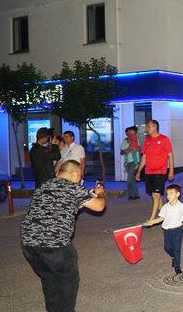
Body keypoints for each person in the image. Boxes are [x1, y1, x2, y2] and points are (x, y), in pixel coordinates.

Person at [21, 160, 106, 311]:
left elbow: (60, 206)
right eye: (80, 176)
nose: (80, 179)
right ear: (74, 173)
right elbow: (99, 206)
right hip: (55, 245)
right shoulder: (73, 187)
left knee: (49, 279)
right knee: (69, 280)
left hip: (29, 243)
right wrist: (100, 194)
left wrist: (84, 200)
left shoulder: (44, 186)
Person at [144, 184, 183, 275]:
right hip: (167, 231)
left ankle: (177, 266)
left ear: (177, 194)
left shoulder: (182, 206)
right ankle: (174, 256)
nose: (168, 196)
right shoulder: (165, 207)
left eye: (171, 193)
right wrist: (152, 221)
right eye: (167, 194)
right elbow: (161, 218)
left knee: (177, 248)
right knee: (167, 248)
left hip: (177, 230)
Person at [135, 120, 175, 220]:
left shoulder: (164, 139)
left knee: (156, 195)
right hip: (149, 172)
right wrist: (139, 171)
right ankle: (167, 217)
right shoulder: (147, 140)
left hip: (160, 172)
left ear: (154, 127)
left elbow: (170, 156)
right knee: (156, 196)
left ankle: (152, 219)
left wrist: (171, 170)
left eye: (148, 127)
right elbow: (144, 156)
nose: (146, 129)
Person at [120, 126, 140, 200]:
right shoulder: (124, 141)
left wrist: (129, 150)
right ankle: (136, 194)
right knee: (132, 178)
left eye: (130, 131)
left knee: (129, 178)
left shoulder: (135, 139)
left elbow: (137, 148)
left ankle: (131, 195)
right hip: (127, 161)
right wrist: (126, 150)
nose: (128, 132)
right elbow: (121, 152)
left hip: (134, 161)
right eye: (128, 131)